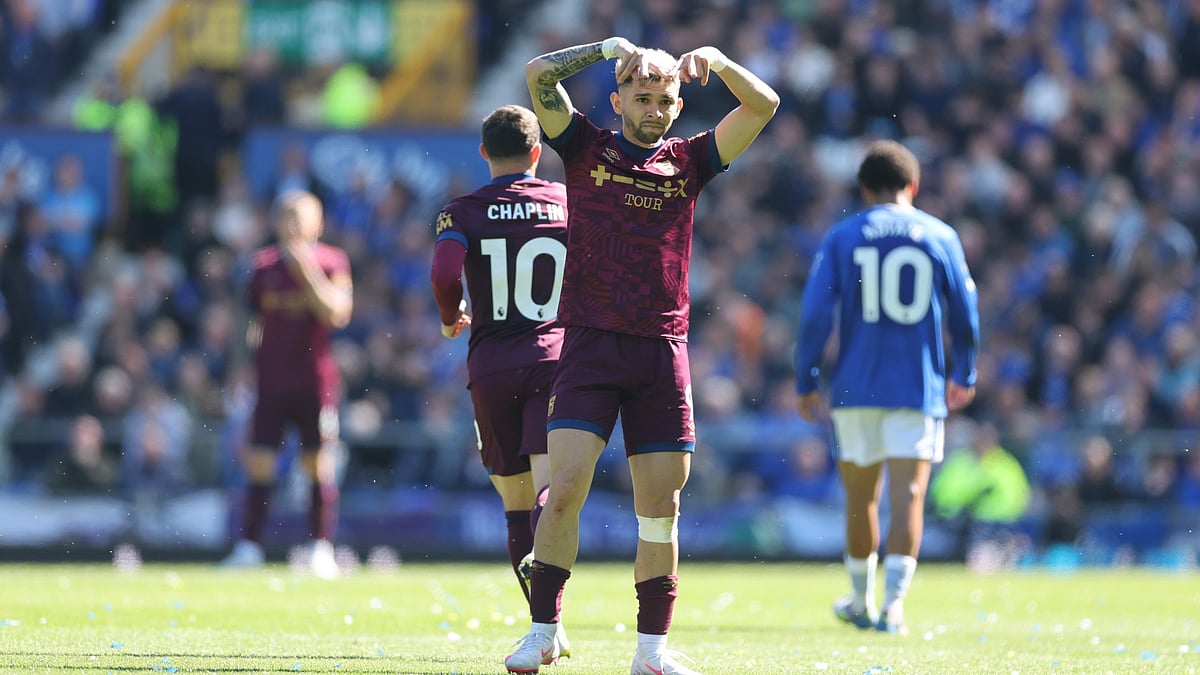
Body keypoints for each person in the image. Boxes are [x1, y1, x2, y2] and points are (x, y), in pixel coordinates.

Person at [505, 37, 778, 675]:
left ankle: (651, 653)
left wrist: (719, 61)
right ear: (618, 99)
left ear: (679, 105)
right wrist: (605, 47)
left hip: (661, 351)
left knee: (661, 511)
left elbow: (763, 105)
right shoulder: (584, 146)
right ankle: (543, 632)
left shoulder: (691, 160)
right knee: (564, 490)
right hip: (591, 346)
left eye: (665, 100)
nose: (654, 109)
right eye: (643, 96)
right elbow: (538, 74)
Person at [794, 139, 979, 635]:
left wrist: (807, 377)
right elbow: (965, 310)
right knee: (910, 495)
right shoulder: (939, 234)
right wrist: (964, 372)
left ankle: (860, 599)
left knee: (862, 500)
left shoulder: (843, 236)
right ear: (913, 187)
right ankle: (894, 607)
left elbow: (814, 314)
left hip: (855, 388)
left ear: (864, 188)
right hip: (918, 387)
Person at [429, 104, 570, 650]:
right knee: (549, 490)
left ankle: (545, 624)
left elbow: (445, 272)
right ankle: (548, 618)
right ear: (538, 152)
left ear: (484, 152)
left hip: (491, 365)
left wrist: (451, 317)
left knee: (515, 502)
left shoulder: (462, 210)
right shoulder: (567, 201)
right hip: (555, 358)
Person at [220, 190, 353, 579]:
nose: (293, 222)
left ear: (319, 223)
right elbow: (247, 322)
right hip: (271, 380)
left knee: (318, 463)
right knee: (259, 462)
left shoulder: (332, 262)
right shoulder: (260, 266)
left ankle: (320, 548)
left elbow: (337, 313)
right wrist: (239, 366)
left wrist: (305, 270)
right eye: (287, 215)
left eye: (301, 215)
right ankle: (249, 547)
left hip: (315, 380)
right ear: (275, 222)